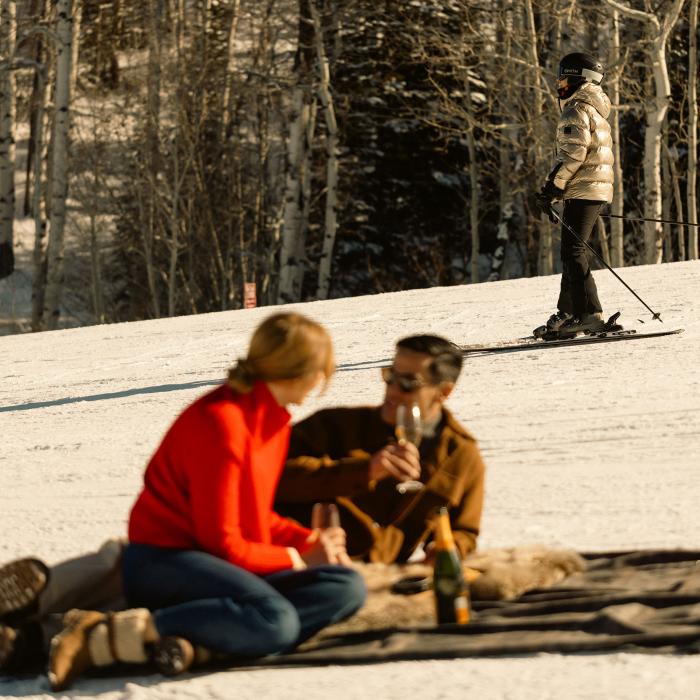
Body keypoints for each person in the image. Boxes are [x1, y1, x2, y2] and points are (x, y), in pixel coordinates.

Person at [23, 312, 366, 690]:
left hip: (212, 559)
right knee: (276, 620)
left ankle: (202, 640)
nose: (323, 382)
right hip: (163, 560)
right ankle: (109, 635)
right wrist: (295, 558)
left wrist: (309, 541)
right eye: (323, 372)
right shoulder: (223, 423)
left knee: (345, 586)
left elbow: (253, 516)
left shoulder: (274, 423)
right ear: (304, 372)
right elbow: (222, 542)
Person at [275, 334, 485, 565]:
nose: (392, 390)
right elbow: (268, 479)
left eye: (407, 383)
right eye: (390, 376)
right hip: (301, 564)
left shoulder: (461, 455)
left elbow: (465, 529)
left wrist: (447, 548)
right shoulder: (332, 425)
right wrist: (364, 471)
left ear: (444, 391)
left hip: (380, 577)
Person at [535, 51, 614, 337]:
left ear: (581, 80)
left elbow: (572, 155)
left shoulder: (576, 109)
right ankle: (570, 312)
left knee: (574, 251)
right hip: (590, 188)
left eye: (565, 79)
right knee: (571, 250)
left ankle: (588, 313)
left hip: (584, 188)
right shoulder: (592, 107)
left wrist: (551, 187)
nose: (559, 85)